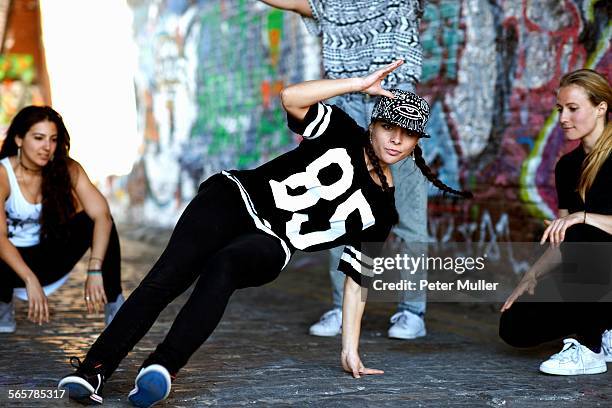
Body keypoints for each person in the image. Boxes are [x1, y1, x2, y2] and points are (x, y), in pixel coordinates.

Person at [57, 60, 470, 407]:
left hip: (275, 243)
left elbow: (356, 279)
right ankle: (94, 369)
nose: (396, 139)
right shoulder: (341, 130)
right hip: (234, 199)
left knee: (226, 266)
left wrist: (350, 348)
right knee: (169, 277)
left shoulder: (383, 211)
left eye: (408, 133)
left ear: (417, 142)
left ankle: (162, 366)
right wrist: (358, 86)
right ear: (373, 125)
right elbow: (291, 97)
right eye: (388, 128)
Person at [260, 0, 430, 340]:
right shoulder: (331, 4)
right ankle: (342, 307)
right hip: (348, 104)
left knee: (411, 222)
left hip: (398, 110)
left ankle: (413, 313)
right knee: (341, 218)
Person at [500, 69, 612, 375]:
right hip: (594, 275)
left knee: (583, 230)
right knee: (514, 326)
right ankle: (605, 328)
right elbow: (562, 239)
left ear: (600, 107)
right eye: (560, 109)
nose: (563, 118)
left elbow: (576, 229)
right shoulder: (567, 166)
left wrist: (583, 217)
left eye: (573, 109)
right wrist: (530, 276)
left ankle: (589, 349)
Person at [0, 106, 124, 334]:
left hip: (47, 257)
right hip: (8, 267)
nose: (47, 147)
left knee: (95, 220)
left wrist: (95, 268)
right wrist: (29, 279)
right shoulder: (2, 174)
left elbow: (102, 216)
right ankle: (3, 304)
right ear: (19, 139)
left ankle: (115, 303)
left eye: (53, 139)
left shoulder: (67, 168)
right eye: (38, 138)